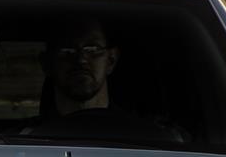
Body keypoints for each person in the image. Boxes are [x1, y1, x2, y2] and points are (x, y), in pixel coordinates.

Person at [34, 17, 189, 144]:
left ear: (111, 60)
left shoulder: (152, 139)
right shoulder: (22, 140)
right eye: (67, 50)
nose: (81, 59)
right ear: (47, 64)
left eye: (92, 49)